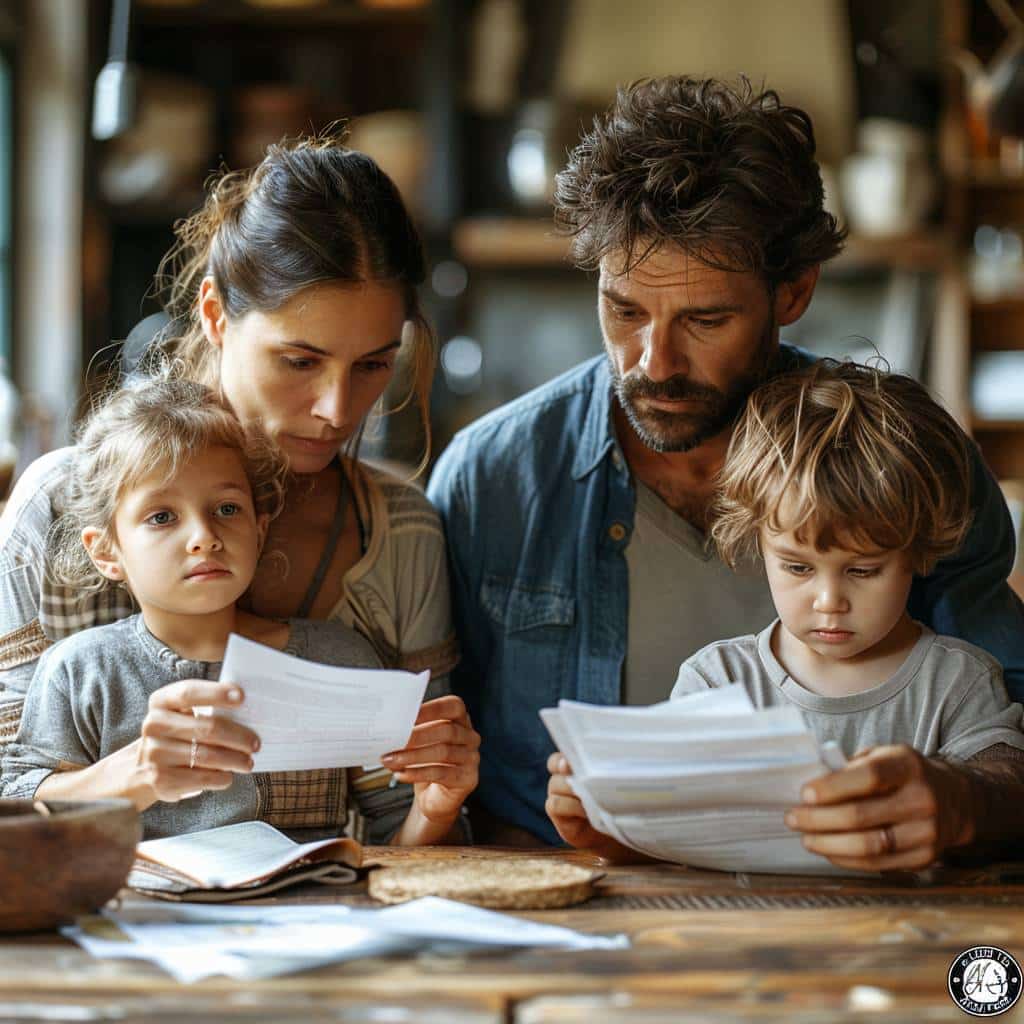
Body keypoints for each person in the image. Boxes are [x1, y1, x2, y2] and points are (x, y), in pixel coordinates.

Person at [427, 76, 1024, 853]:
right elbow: (424, 769)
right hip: (574, 911)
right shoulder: (493, 478)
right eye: (624, 310)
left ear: (794, 291)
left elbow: (1012, 724)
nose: (655, 362)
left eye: (705, 318)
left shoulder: (902, 458)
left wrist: (965, 801)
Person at [0, 132, 475, 844]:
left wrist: (441, 791)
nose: (337, 411)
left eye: (374, 366)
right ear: (217, 315)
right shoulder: (61, 506)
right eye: (299, 359)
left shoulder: (402, 533)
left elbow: (419, 826)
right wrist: (125, 776)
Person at [546, 360, 1024, 871]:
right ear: (759, 541)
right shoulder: (716, 682)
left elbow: (1006, 803)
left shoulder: (958, 683)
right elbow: (679, 842)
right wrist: (609, 829)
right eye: (797, 566)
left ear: (918, 552)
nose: (828, 600)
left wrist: (963, 805)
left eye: (863, 570)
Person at [2, 377, 479, 841]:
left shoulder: (339, 660)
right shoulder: (78, 673)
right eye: (161, 517)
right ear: (105, 551)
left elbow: (396, 843)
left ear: (260, 528)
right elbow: (21, 812)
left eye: (227, 509)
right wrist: (132, 777)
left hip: (313, 915)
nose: (204, 536)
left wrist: (435, 808)